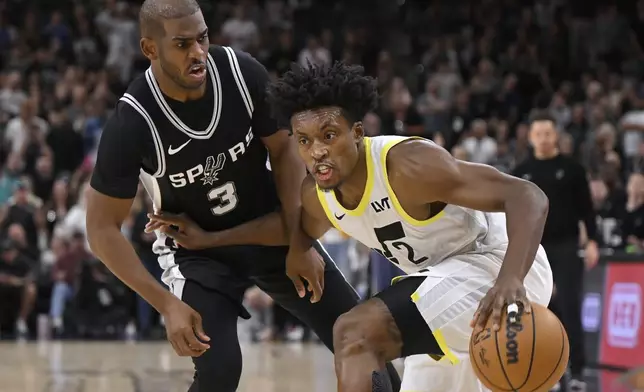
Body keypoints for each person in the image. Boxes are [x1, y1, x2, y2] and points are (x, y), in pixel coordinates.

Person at [149, 62, 554, 392]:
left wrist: (510, 279)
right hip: (442, 287)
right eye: (304, 141)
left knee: (354, 332)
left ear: (357, 134)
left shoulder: (408, 165)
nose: (317, 150)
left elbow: (527, 197)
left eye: (329, 135)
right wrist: (212, 239)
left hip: (501, 266)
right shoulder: (318, 194)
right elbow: (293, 229)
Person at [85, 1, 400, 391]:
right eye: (182, 45)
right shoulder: (133, 121)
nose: (198, 53)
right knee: (220, 369)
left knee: (368, 349)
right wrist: (166, 304)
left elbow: (284, 151)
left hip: (273, 232)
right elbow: (101, 229)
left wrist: (300, 241)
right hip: (198, 254)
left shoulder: (239, 72)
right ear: (150, 49)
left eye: (202, 38)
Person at [512, 111, 598, 391]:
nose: (543, 138)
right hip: (534, 249)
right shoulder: (522, 172)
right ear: (531, 137)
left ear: (556, 136)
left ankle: (577, 371)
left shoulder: (572, 169)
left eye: (548, 133)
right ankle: (544, 370)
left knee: (571, 306)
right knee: (537, 308)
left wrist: (593, 240)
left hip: (566, 246)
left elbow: (587, 209)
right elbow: (513, 214)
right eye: (538, 134)